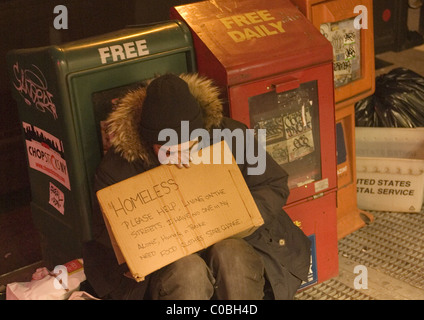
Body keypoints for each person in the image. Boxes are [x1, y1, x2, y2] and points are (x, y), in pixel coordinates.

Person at [83, 73, 311, 300]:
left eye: (190, 147)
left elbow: (272, 183)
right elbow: (106, 235)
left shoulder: (232, 136)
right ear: (149, 142)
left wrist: (241, 215)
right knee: (188, 271)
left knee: (231, 255)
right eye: (169, 152)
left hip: (236, 241)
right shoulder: (116, 169)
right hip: (168, 267)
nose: (181, 158)